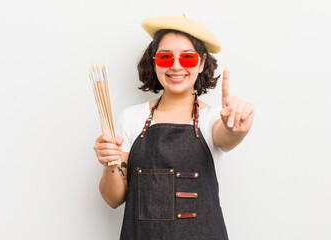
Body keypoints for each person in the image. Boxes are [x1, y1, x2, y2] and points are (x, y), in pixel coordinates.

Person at [93, 15, 254, 239]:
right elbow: (113, 199)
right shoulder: (130, 119)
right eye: (165, 57)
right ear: (154, 61)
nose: (176, 66)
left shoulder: (213, 118)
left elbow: (226, 135)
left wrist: (237, 128)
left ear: (201, 62)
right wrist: (110, 162)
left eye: (187, 58)